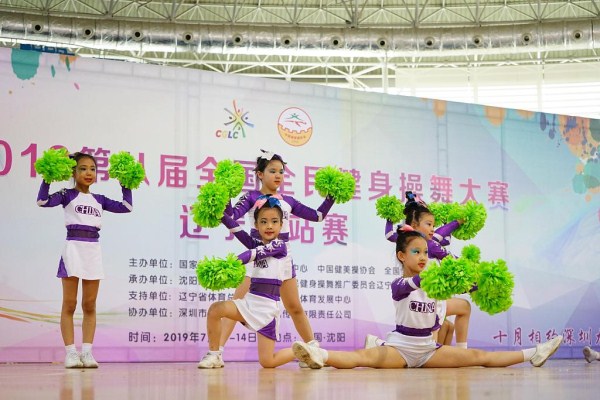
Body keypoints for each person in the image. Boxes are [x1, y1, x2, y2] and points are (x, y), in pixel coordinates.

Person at [293, 229, 562, 369]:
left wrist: (481, 284)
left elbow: (470, 287)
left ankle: (534, 353)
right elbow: (415, 283)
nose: (423, 257)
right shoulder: (400, 284)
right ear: (401, 255)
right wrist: (444, 273)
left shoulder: (437, 284)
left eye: (425, 252)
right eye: (415, 251)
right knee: (363, 358)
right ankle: (318, 355)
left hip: (429, 350)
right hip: (400, 348)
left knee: (480, 357)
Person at [218, 150, 335, 363]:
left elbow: (318, 216)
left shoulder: (289, 200)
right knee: (236, 303)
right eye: (272, 171)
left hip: (283, 260)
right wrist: (225, 193)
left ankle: (314, 350)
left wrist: (331, 196)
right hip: (256, 259)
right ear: (260, 174)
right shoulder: (251, 197)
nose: (278, 175)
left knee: (295, 307)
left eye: (281, 171)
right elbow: (231, 216)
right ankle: (217, 353)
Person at [37, 152, 133, 368]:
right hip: (73, 251)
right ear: (73, 172)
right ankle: (71, 353)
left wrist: (125, 183)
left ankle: (87, 352)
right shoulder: (66, 195)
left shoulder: (99, 200)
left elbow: (127, 207)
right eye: (83, 168)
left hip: (93, 252)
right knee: (69, 304)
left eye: (92, 169)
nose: (88, 173)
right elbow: (42, 201)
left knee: (89, 304)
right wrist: (47, 178)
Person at [198, 199, 296, 368]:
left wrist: (232, 263)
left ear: (281, 225)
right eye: (263, 222)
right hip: (250, 303)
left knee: (267, 361)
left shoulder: (281, 246)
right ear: (257, 226)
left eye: (274, 222)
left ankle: (303, 350)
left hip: (267, 310)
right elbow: (238, 231)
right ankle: (215, 355)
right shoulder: (257, 243)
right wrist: (220, 214)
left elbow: (254, 254)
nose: (269, 226)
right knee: (215, 309)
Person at [368, 192, 471, 349]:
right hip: (424, 298)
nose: (432, 229)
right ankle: (460, 353)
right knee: (437, 332)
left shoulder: (417, 241)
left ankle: (456, 354)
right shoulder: (428, 244)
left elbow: (446, 238)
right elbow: (444, 240)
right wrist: (457, 222)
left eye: (433, 225)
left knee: (448, 326)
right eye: (428, 224)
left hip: (428, 296)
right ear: (415, 226)